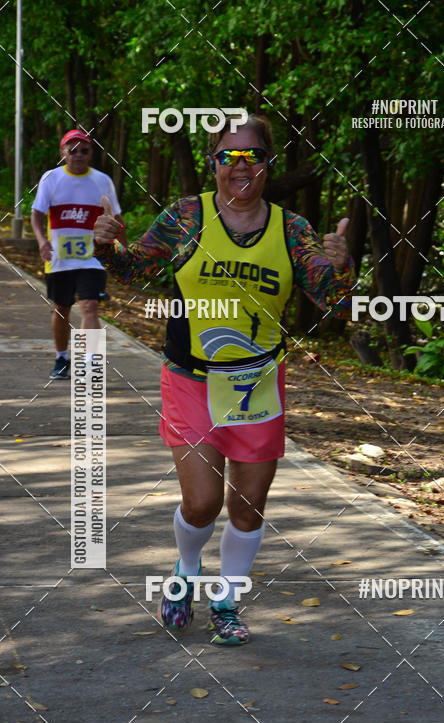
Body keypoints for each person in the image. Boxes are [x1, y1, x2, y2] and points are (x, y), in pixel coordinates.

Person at [94, 113, 353, 645]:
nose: (240, 166)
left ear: (267, 163)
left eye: (251, 156)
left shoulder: (292, 229)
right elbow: (132, 269)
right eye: (227, 156)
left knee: (248, 505)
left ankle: (228, 602)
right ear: (213, 164)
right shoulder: (188, 216)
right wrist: (105, 246)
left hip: (257, 382)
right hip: (190, 378)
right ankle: (186, 572)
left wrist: (341, 265)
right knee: (203, 501)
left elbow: (334, 303)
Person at [31, 129, 126, 379]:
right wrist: (42, 241)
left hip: (93, 257)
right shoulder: (51, 179)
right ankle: (62, 358)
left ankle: (89, 363)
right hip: (59, 258)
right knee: (61, 308)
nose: (78, 155)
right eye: (72, 150)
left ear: (91, 153)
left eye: (84, 150)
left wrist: (126, 252)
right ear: (63, 153)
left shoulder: (102, 180)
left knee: (90, 305)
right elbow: (37, 215)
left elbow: (116, 218)